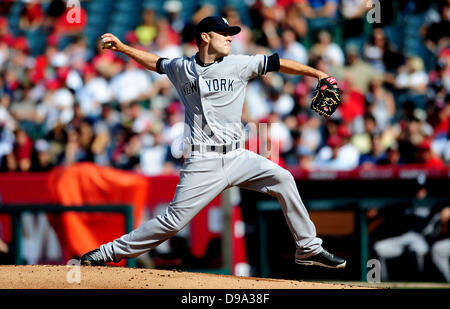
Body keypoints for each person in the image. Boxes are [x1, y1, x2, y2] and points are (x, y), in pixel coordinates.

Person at [80, 16, 346, 269]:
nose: (230, 38)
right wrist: (125, 48)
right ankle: (107, 252)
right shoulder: (181, 68)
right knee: (172, 223)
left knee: (284, 178)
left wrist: (318, 73)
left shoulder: (239, 63)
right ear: (205, 37)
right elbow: (156, 62)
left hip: (237, 156)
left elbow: (278, 63)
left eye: (231, 34)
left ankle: (308, 248)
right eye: (225, 34)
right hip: (202, 160)